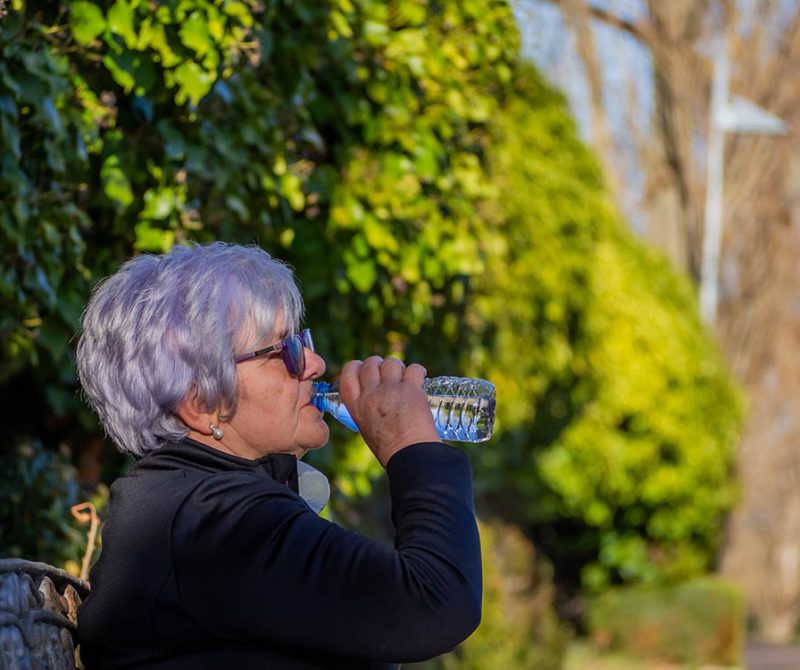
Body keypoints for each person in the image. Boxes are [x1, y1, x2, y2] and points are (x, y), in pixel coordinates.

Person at [75, 242, 482, 669]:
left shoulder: (193, 506)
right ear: (201, 404)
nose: (316, 364)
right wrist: (412, 448)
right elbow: (436, 601)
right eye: (284, 351)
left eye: (302, 341)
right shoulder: (215, 524)